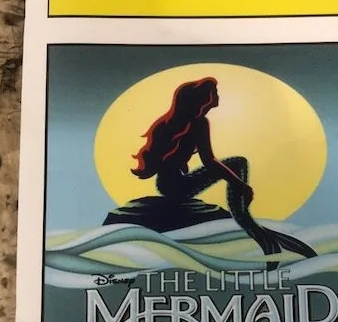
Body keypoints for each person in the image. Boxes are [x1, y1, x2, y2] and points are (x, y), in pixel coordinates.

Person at [131, 77, 317, 270]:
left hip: (168, 184)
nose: (218, 96)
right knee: (238, 163)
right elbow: (209, 162)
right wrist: (240, 184)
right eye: (215, 93)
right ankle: (244, 217)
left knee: (237, 168)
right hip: (177, 186)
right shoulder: (198, 124)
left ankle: (249, 223)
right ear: (204, 99)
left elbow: (177, 160)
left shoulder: (172, 123)